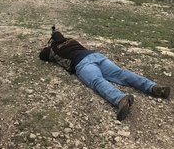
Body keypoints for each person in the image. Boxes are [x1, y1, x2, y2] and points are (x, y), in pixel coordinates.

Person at [39, 29, 171, 121]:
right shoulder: (72, 40)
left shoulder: (54, 49)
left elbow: (42, 56)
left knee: (97, 81)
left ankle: (120, 99)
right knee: (121, 74)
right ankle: (153, 87)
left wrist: (49, 46)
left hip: (82, 63)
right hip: (96, 56)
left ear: (53, 41)